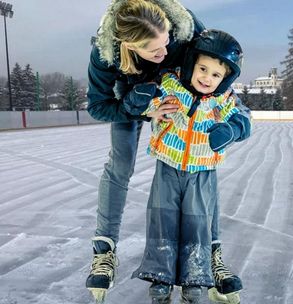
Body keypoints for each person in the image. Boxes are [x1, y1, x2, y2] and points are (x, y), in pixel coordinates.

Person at [85, 1, 247, 303]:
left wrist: (236, 121)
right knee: (120, 164)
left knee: (203, 166)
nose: (164, 53)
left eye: (167, 42)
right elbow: (97, 106)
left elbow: (219, 73)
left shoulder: (184, 27)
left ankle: (212, 255)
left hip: (179, 93)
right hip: (131, 99)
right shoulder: (105, 54)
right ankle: (104, 251)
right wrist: (143, 110)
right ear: (128, 46)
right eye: (154, 51)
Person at [127, 29, 250, 304]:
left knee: (197, 224)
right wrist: (141, 98)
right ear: (192, 64)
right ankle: (160, 276)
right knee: (163, 220)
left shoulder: (223, 101)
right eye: (203, 68)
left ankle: (195, 277)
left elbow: (245, 121)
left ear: (225, 78)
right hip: (168, 167)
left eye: (216, 74)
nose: (207, 78)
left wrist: (230, 130)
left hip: (202, 172)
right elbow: (146, 103)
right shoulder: (172, 87)